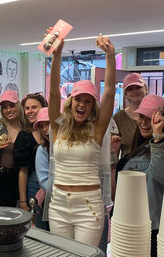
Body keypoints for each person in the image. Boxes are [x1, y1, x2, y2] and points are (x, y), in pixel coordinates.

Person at [47, 34, 116, 247]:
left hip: (88, 206)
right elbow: (53, 93)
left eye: (88, 101)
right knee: (62, 253)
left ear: (92, 106)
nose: (83, 105)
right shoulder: (58, 126)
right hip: (58, 203)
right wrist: (57, 56)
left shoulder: (97, 129)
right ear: (71, 101)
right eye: (79, 99)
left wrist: (110, 56)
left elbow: (110, 93)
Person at [116, 95, 164, 257]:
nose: (144, 123)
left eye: (150, 119)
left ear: (163, 121)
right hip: (132, 223)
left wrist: (158, 136)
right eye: (141, 117)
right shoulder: (139, 148)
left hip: (150, 229)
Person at [15, 92, 47, 216]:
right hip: (33, 185)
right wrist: (23, 201)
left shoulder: (54, 133)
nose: (30, 111)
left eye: (34, 107)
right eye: (27, 108)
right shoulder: (24, 136)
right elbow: (23, 171)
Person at [0, 90, 27, 207]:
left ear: (18, 105)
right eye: (4, 107)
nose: (8, 110)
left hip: (19, 178)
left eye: (12, 106)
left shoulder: (26, 129)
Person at [112, 73, 148, 159]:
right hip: (127, 169)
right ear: (125, 94)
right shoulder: (119, 117)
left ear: (146, 89)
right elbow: (114, 150)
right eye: (130, 89)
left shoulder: (155, 113)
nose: (135, 91)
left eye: (138, 87)